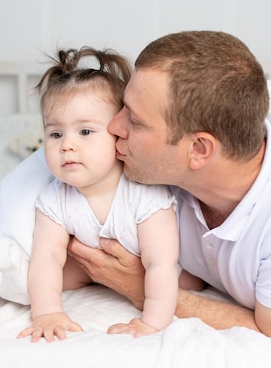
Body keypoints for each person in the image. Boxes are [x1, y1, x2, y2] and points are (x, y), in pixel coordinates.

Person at [67, 31, 271, 339]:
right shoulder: (155, 174)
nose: (113, 126)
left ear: (199, 150)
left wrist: (142, 288)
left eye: (135, 121)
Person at [17, 47, 180, 343]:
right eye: (55, 134)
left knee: (184, 276)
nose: (66, 145)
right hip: (92, 270)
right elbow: (46, 258)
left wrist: (151, 324)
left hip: (154, 268)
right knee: (41, 275)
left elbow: (160, 264)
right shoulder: (57, 197)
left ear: (119, 132)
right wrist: (47, 313)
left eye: (85, 132)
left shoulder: (144, 195)